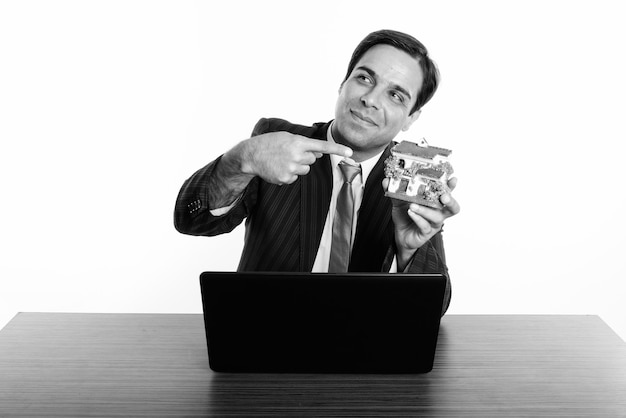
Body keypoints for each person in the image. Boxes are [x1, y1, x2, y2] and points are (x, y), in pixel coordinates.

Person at [174, 29, 460, 313]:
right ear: (342, 84)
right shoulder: (276, 142)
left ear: (411, 118)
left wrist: (408, 251)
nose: (370, 99)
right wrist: (241, 159)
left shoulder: (413, 177)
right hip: (265, 337)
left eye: (395, 95)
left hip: (363, 347)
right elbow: (191, 220)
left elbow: (434, 307)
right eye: (364, 78)